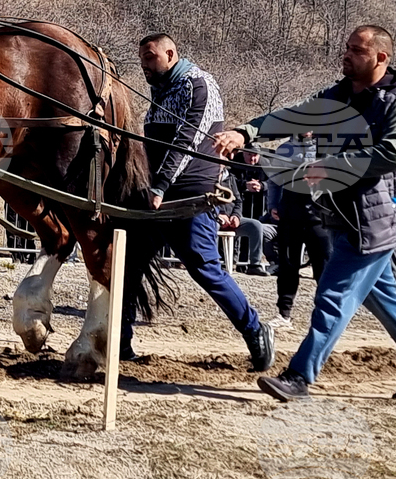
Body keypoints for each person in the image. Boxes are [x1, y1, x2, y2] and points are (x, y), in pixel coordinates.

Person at [216, 24, 396, 401]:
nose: (347, 54)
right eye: (347, 47)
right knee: (380, 295)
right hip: (342, 213)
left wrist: (331, 166)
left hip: (376, 220)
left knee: (333, 295)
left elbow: (393, 154)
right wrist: (245, 133)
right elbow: (293, 116)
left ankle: (299, 375)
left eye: (357, 50)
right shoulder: (337, 96)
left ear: (381, 57)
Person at [136, 33, 274, 371]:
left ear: (171, 53)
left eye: (150, 57)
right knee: (130, 263)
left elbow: (189, 138)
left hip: (190, 193)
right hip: (156, 192)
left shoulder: (198, 84)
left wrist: (160, 185)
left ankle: (255, 329)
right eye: (142, 59)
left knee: (204, 268)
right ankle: (118, 341)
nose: (145, 65)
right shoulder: (161, 90)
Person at [265, 133, 333, 330]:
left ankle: (327, 316)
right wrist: (273, 205)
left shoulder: (328, 148)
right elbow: (274, 180)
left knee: (324, 267)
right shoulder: (284, 149)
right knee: (287, 265)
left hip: (319, 217)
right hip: (289, 214)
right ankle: (283, 314)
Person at [217, 170, 277, 277]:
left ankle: (254, 265)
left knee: (255, 225)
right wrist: (218, 214)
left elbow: (238, 200)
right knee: (211, 227)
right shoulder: (208, 175)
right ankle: (212, 263)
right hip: (214, 218)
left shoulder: (230, 177)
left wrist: (236, 216)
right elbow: (204, 199)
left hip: (231, 218)